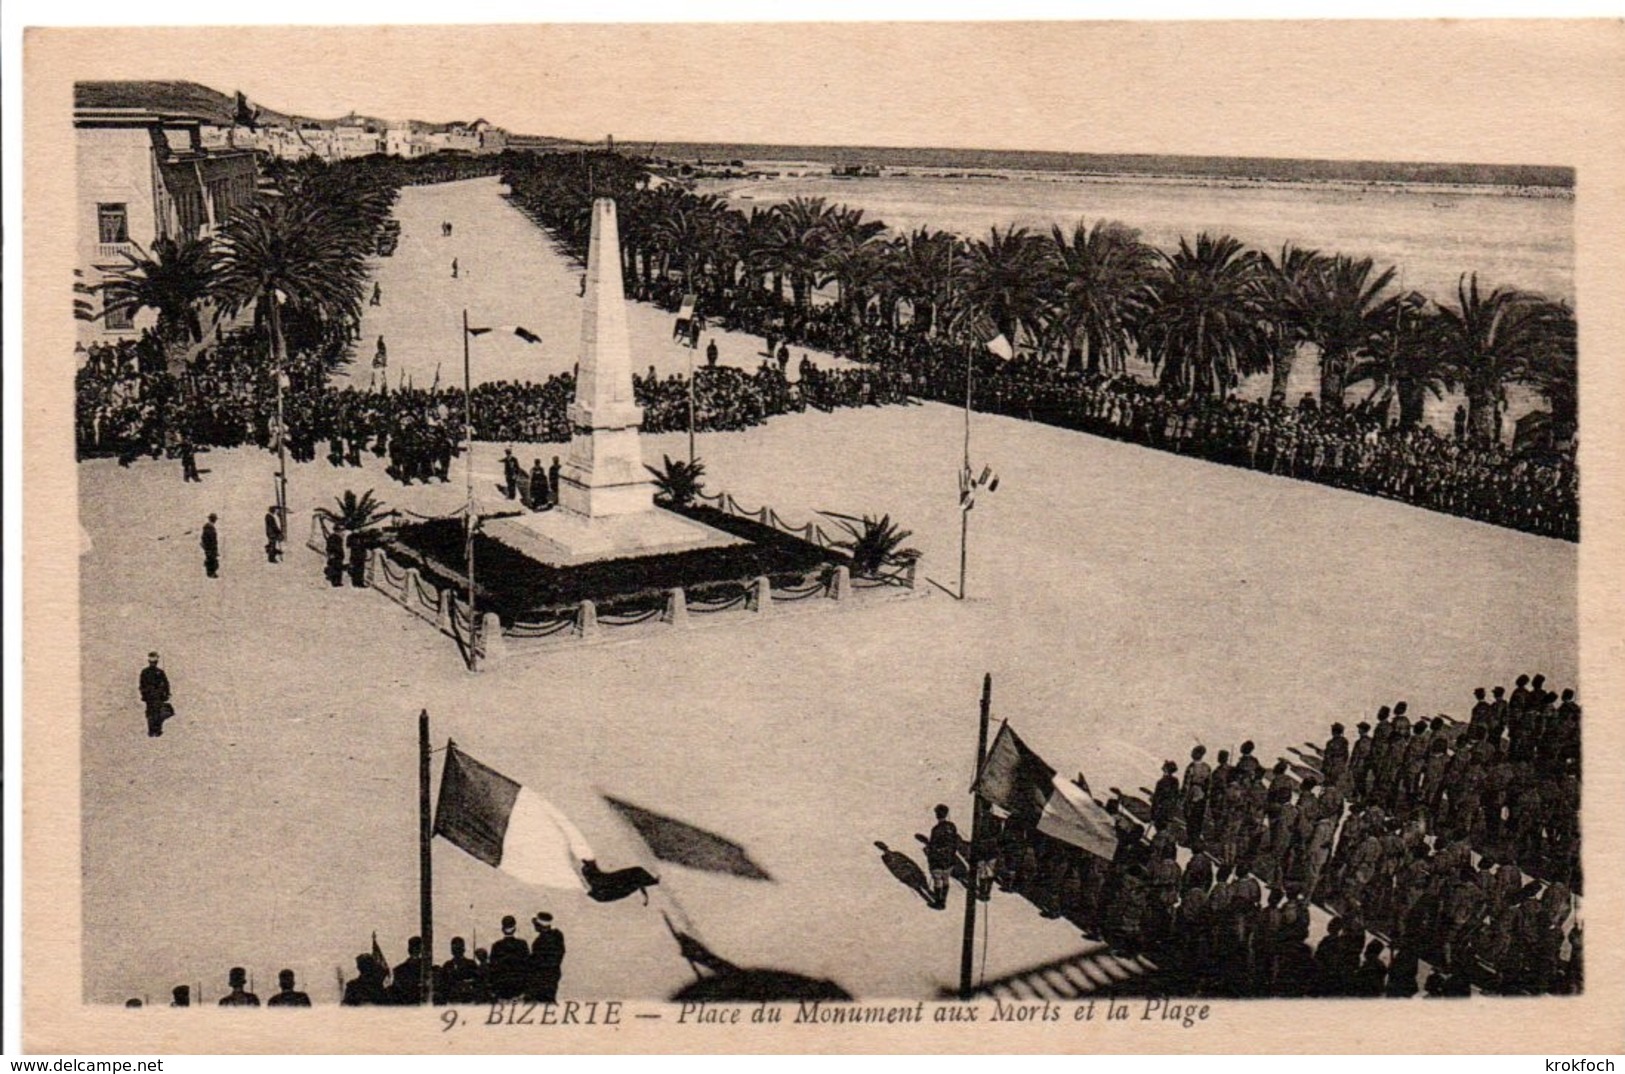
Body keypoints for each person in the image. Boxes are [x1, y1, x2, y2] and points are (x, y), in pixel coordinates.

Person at [924, 804, 959, 910]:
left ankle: (939, 902)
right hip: (949, 859)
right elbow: (955, 842)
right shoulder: (952, 826)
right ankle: (943, 900)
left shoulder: (936, 829)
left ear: (937, 815)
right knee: (946, 879)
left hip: (938, 859)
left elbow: (933, 846)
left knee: (937, 880)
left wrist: (930, 856)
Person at [489, 915, 530, 1000]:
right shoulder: (522, 944)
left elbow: (493, 969)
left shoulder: (496, 946)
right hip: (519, 989)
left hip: (501, 990)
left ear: (502, 929)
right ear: (514, 929)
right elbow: (528, 967)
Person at [528, 912, 566, 1004]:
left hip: (541, 978)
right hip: (554, 974)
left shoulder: (540, 942)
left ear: (539, 926)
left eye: (536, 925)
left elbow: (536, 961)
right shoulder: (557, 935)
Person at [439, 937, 482, 1005]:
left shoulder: (471, 964)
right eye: (454, 948)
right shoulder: (447, 965)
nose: (457, 951)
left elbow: (477, 981)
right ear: (452, 950)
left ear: (463, 949)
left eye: (459, 948)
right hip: (452, 1001)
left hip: (468, 1000)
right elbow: (443, 983)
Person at [139, 651, 171, 738]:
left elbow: (142, 685)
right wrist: (167, 694)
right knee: (155, 712)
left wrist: (143, 694)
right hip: (156, 695)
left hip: (150, 695)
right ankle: (156, 730)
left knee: (151, 712)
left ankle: (152, 730)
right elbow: (166, 684)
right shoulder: (159, 672)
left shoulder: (145, 672)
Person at [390, 936, 428, 1005]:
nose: (416, 949)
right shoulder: (399, 970)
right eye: (415, 947)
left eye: (417, 947)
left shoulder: (399, 970)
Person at [201, 513, 220, 578]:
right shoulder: (209, 527)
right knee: (211, 559)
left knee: (212, 558)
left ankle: (211, 572)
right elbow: (210, 538)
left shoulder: (209, 527)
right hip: (210, 546)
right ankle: (210, 573)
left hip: (210, 546)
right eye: (214, 519)